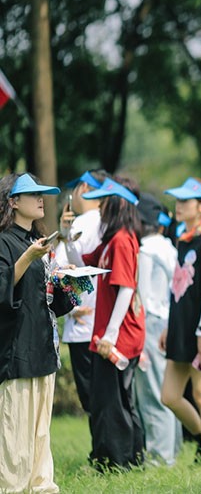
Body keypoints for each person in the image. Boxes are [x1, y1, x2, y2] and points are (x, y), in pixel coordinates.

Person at [0, 173, 73, 493]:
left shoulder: (38, 242)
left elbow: (47, 300)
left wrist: (68, 283)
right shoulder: (5, 242)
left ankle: (42, 488)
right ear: (13, 202)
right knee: (15, 434)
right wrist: (28, 258)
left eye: (42, 193)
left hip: (43, 347)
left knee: (41, 434)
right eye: (33, 194)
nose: (41, 199)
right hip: (16, 352)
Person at [77, 176, 146, 471]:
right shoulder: (111, 241)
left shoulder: (122, 241)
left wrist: (111, 334)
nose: (101, 207)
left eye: (105, 201)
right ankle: (128, 457)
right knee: (114, 398)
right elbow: (84, 264)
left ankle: (117, 461)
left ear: (117, 203)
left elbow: (126, 288)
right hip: (110, 332)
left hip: (118, 335)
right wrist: (67, 236)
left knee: (113, 401)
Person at [159, 177, 201, 462]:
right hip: (180, 328)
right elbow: (178, 289)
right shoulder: (184, 240)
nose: (179, 205)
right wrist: (169, 326)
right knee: (169, 396)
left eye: (185, 201)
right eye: (178, 200)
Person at [134, 193, 182, 466]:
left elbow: (141, 296)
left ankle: (160, 457)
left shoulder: (145, 251)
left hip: (150, 323)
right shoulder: (169, 247)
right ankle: (172, 450)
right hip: (169, 322)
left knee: (152, 391)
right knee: (168, 389)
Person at [55, 169, 107, 416]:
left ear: (84, 188)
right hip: (105, 323)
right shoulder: (109, 223)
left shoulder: (80, 224)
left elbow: (59, 269)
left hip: (82, 323)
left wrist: (71, 306)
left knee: (92, 400)